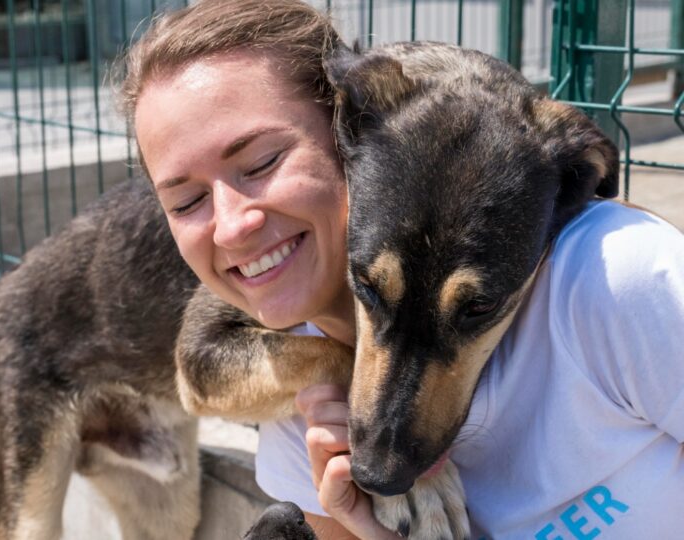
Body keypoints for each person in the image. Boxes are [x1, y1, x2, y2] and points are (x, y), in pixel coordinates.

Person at [118, 1, 684, 538]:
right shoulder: (306, 410)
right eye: (185, 202)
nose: (232, 226)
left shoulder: (617, 279)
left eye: (263, 162)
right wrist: (364, 529)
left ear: (341, 138)